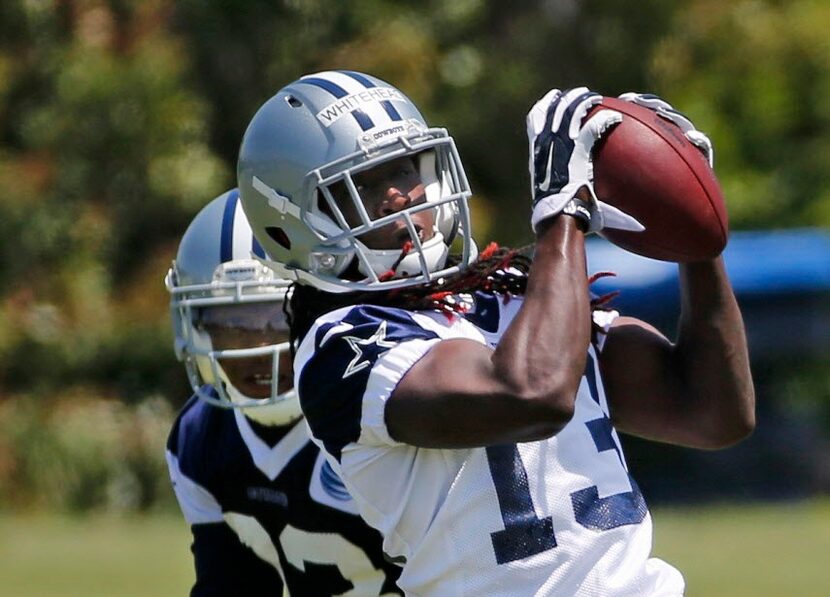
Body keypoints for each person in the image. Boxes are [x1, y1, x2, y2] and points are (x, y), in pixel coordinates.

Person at [237, 71, 755, 596]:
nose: (399, 198)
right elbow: (532, 394)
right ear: (293, 225)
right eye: (366, 185)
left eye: (404, 170)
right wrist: (561, 214)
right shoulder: (342, 346)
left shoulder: (514, 299)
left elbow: (712, 412)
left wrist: (694, 231)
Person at [164, 188, 403, 596]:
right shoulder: (199, 439)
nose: (259, 348)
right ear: (198, 329)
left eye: (277, 319)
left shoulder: (381, 417)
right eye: (233, 324)